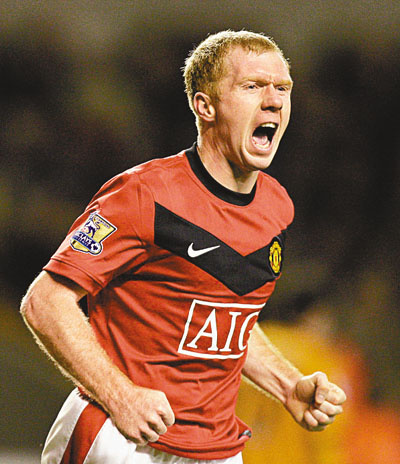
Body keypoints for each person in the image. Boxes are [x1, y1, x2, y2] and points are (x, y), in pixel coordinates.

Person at [20, 30, 346, 464]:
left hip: (217, 449)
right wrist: (120, 396)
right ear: (205, 106)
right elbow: (45, 301)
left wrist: (288, 386)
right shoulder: (143, 194)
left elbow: (228, 315)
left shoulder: (276, 206)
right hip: (122, 438)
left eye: (282, 88)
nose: (273, 101)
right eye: (253, 86)